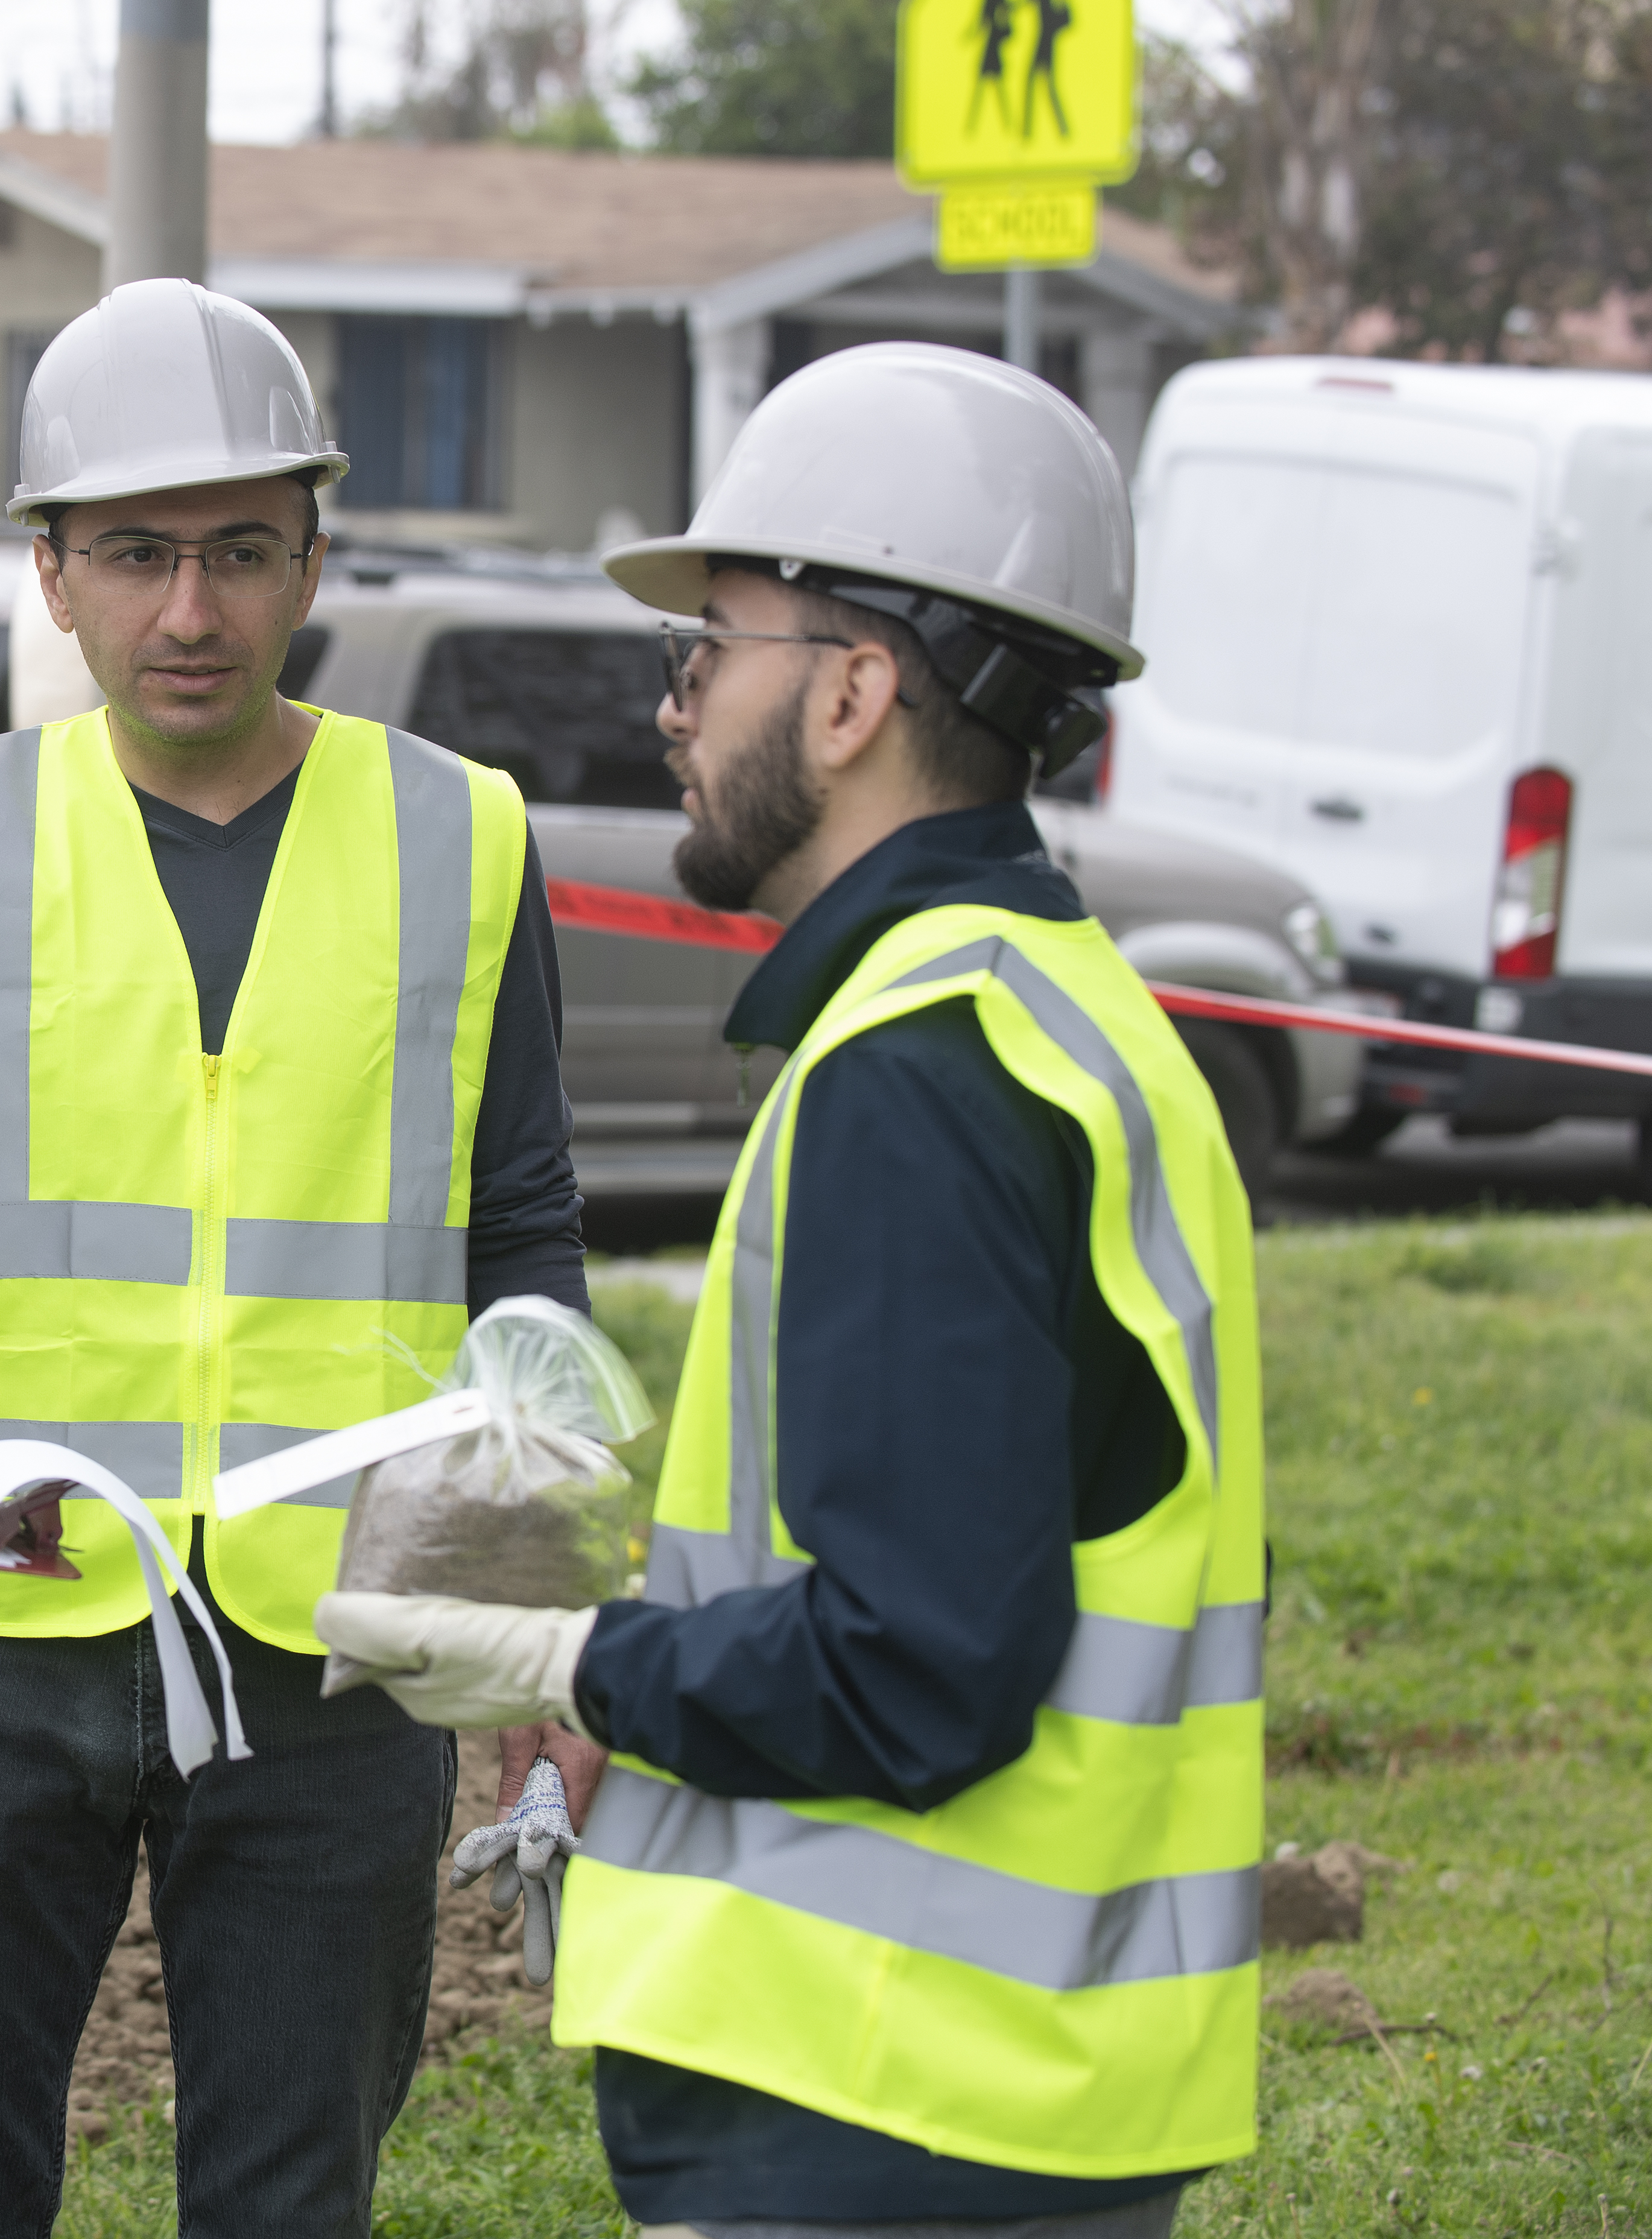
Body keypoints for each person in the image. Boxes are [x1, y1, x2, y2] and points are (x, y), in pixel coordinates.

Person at [0, 278, 590, 2237]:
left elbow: (523, 1245)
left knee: (286, 2201)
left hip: (333, 1651)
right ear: (56, 575)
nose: (192, 610)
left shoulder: (461, 840)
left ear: (313, 561)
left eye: (242, 552)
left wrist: (540, 1622)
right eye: (140, 554)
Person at [321, 341, 1265, 2239]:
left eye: (709, 650)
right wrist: (629, 1708)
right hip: (1007, 2091)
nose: (673, 709)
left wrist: (561, 1657)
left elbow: (919, 1666)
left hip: (881, 2095)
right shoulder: (1060, 1016)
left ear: (849, 693)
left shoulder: (919, 1079)